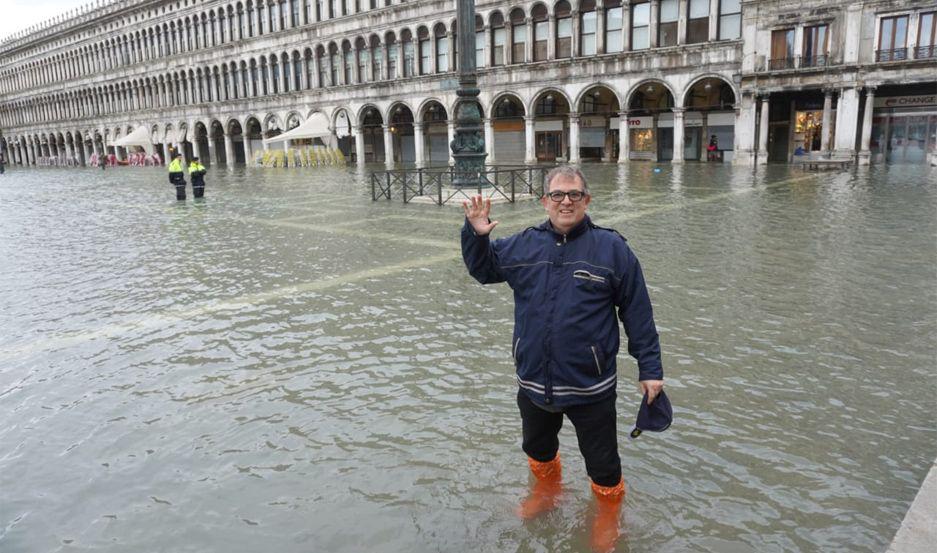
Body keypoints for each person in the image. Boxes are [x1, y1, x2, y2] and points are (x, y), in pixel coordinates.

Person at [461, 166, 664, 553]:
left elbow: (637, 312)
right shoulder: (524, 244)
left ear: (587, 200)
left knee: (603, 463)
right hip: (535, 380)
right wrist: (477, 235)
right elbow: (483, 271)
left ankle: (607, 516)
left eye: (574, 195)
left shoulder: (612, 249)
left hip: (591, 385)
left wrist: (650, 369)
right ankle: (547, 491)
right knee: (537, 447)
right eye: (557, 195)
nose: (565, 201)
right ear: (545, 201)